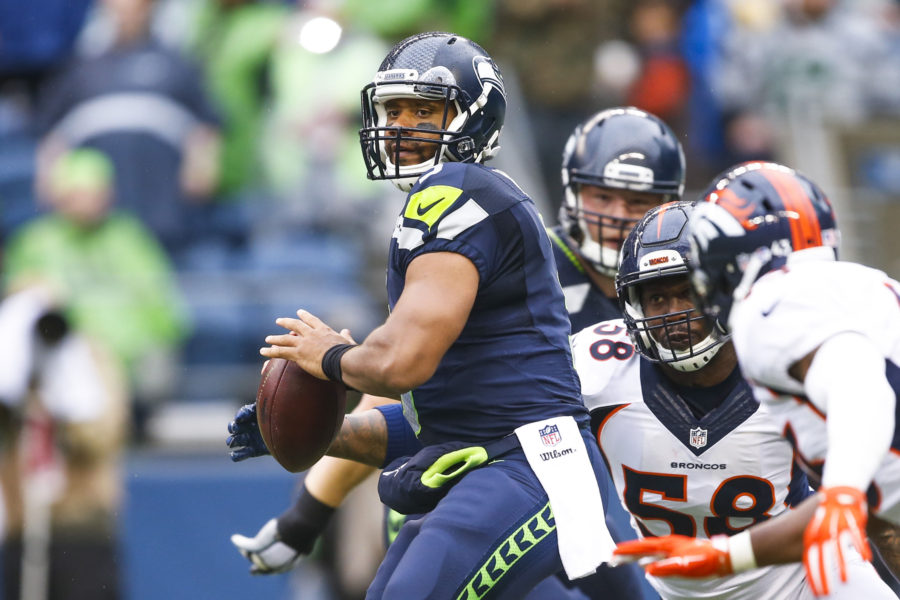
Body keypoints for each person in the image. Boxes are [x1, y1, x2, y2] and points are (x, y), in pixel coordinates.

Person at [228, 105, 686, 598]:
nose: (617, 217)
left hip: (574, 485)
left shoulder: (687, 297)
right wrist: (305, 516)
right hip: (474, 480)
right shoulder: (505, 256)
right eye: (603, 195)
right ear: (573, 194)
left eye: (638, 201)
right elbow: (402, 396)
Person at [612, 161, 900, 596]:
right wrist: (726, 557)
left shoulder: (767, 310)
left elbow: (858, 385)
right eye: (658, 297)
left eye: (688, 286)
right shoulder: (862, 284)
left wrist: (842, 490)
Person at [0, 286, 129, 600]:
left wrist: (60, 401)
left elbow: (104, 436)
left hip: (83, 526)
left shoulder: (90, 357)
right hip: (22, 526)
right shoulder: (10, 367)